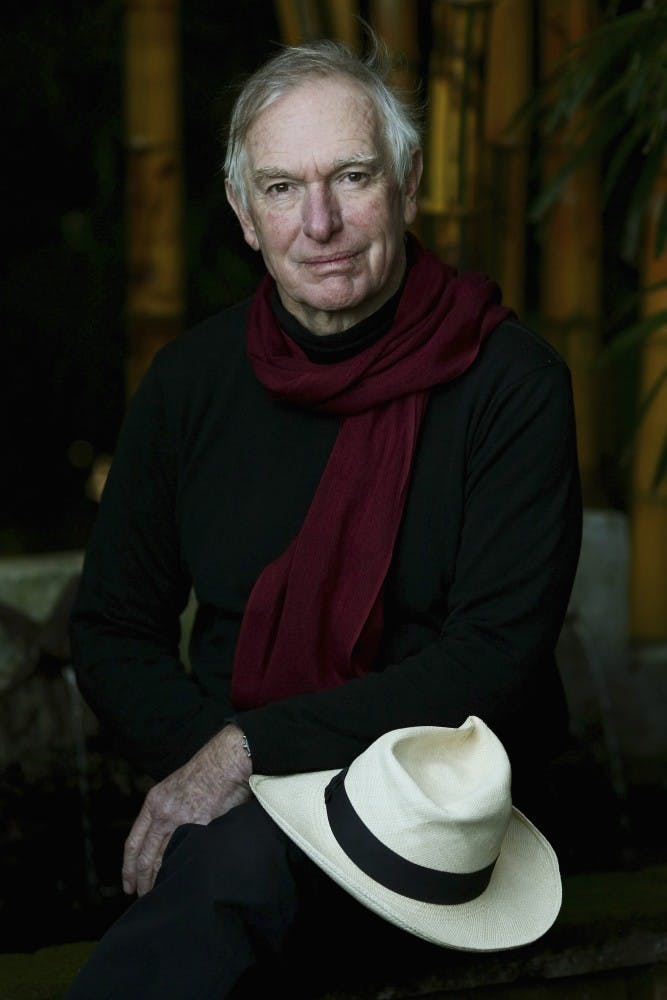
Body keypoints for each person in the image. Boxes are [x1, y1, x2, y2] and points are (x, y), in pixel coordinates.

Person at [65, 30, 582, 1000]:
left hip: (434, 807)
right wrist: (223, 756)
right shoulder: (190, 384)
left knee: (235, 880)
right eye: (281, 188)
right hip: (238, 802)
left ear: (409, 179)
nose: (321, 221)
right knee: (240, 870)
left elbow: (495, 662)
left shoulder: (513, 385)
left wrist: (252, 754)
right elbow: (113, 630)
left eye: (351, 176)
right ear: (241, 212)